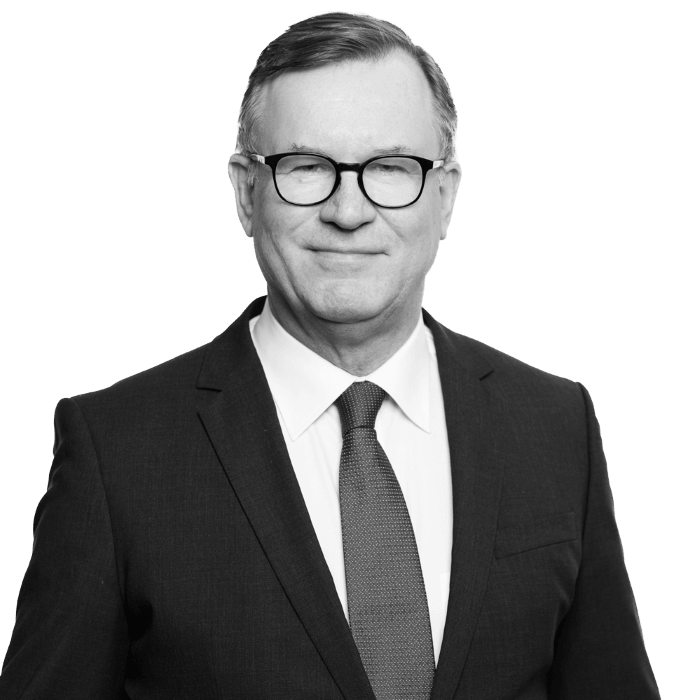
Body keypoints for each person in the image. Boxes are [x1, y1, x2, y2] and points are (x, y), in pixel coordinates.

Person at [0, 11, 660, 700]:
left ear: (445, 194)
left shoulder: (555, 426)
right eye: (307, 167)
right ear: (245, 191)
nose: (348, 211)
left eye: (392, 168)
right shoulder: (117, 453)